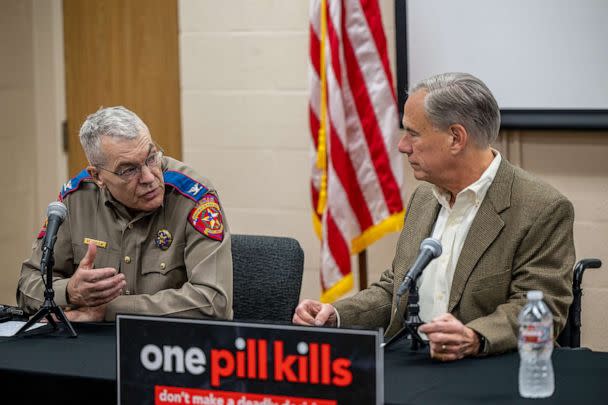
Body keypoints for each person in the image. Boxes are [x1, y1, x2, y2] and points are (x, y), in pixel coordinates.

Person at [293, 72, 575, 361]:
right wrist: (337, 315)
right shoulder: (424, 197)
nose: (402, 146)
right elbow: (398, 288)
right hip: (413, 362)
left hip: (488, 370)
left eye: (413, 133)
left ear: (456, 137)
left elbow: (543, 308)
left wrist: (475, 337)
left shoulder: (540, 208)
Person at [17, 106, 233, 322]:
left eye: (151, 158)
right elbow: (28, 284)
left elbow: (213, 302)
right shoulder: (77, 198)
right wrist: (69, 291)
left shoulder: (194, 198)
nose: (149, 177)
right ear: (98, 176)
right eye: (129, 169)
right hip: (93, 346)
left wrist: (108, 310)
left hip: (173, 348)